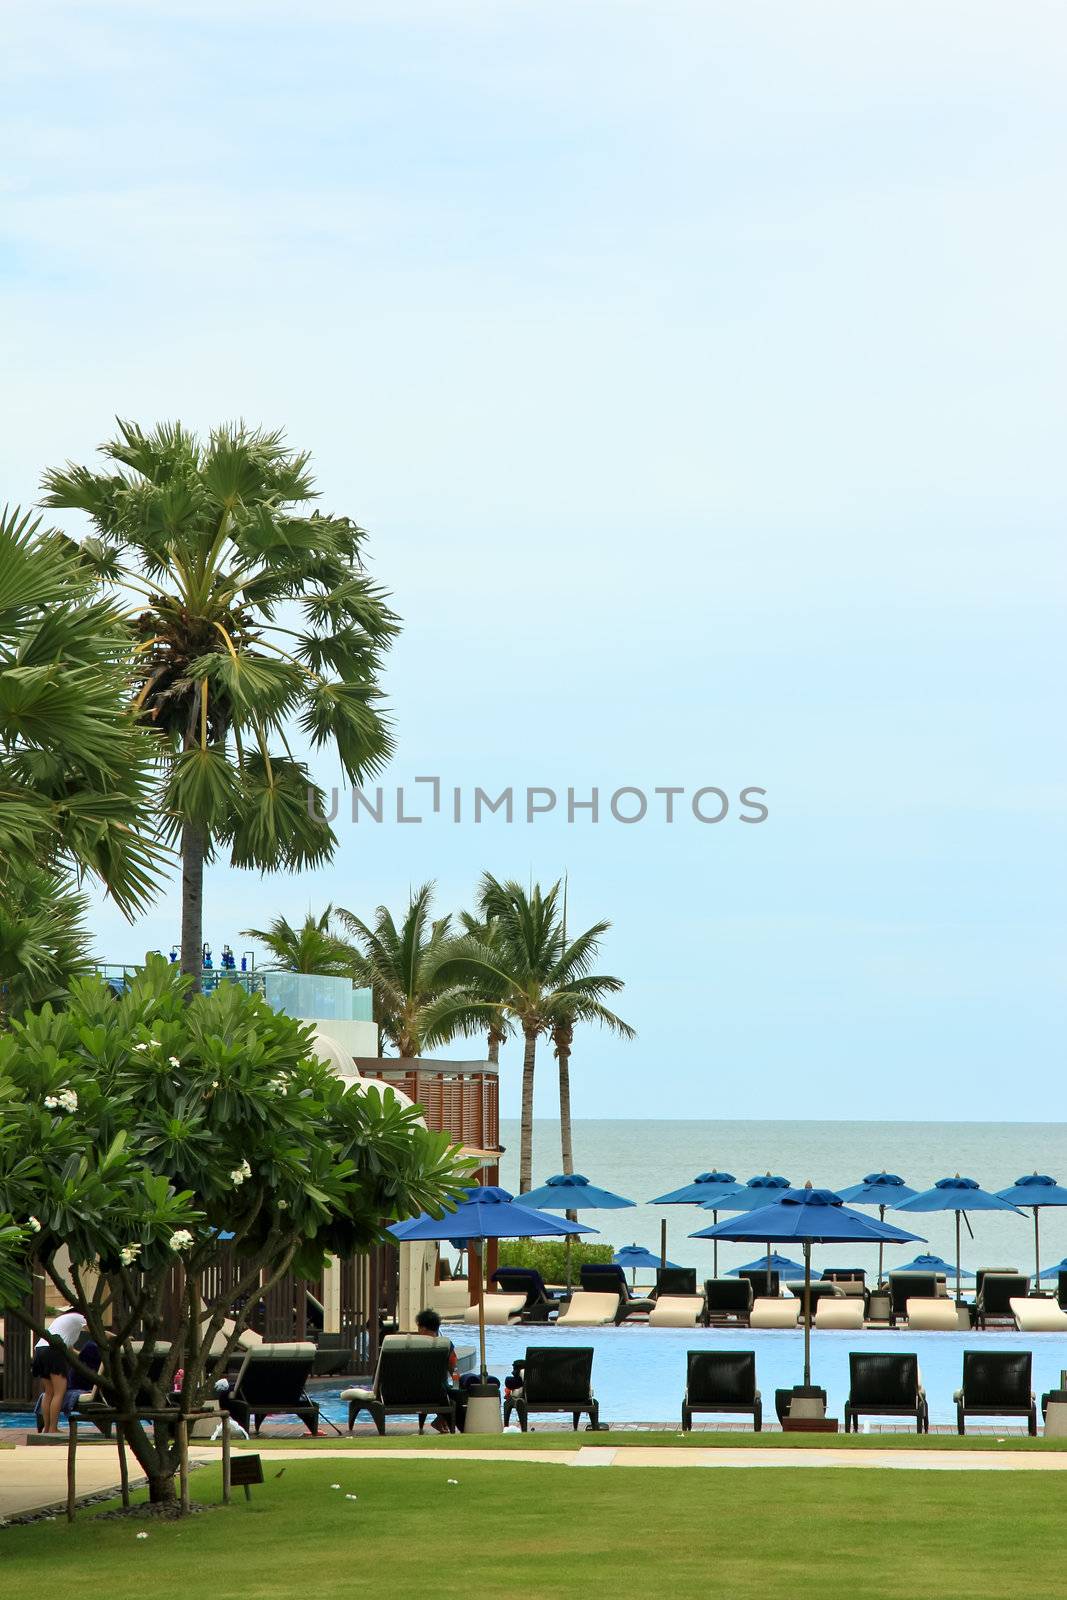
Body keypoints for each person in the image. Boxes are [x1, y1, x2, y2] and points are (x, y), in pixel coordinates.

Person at [32, 1308, 88, 1434]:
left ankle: (47, 1429)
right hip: (53, 1351)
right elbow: (97, 1332)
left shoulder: (62, 1321)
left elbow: (70, 1350)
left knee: (49, 1392)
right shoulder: (79, 1317)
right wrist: (119, 1338)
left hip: (40, 1350)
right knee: (59, 1393)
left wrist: (84, 1357)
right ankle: (53, 1428)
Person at [415, 1307, 459, 1432]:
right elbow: (454, 1370)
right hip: (438, 1393)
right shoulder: (446, 1345)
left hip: (407, 1393)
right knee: (455, 1393)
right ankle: (441, 1420)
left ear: (422, 1328)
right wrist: (457, 1385)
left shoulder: (408, 1345)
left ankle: (440, 1420)